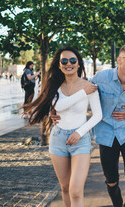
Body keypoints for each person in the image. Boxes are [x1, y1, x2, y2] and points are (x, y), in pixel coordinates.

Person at [52, 44, 125, 207]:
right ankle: (118, 204)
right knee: (111, 181)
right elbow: (80, 93)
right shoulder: (100, 78)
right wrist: (56, 112)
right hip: (106, 133)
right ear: (119, 60)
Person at [24, 46, 102, 206]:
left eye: (73, 60)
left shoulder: (90, 86)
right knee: (65, 188)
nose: (69, 63)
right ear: (59, 65)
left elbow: (98, 115)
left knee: (75, 190)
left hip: (80, 141)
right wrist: (83, 92)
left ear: (79, 63)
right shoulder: (54, 86)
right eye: (64, 61)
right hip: (58, 139)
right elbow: (59, 106)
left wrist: (79, 133)